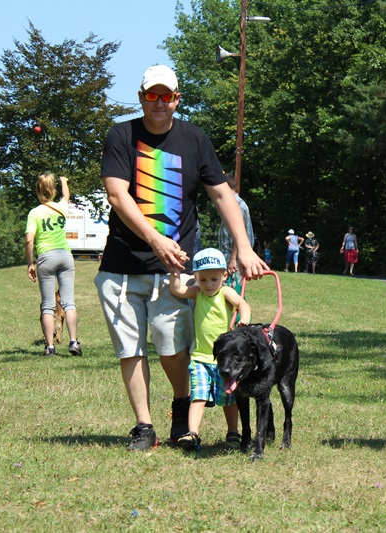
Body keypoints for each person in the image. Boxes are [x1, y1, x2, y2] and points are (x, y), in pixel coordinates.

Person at [95, 64, 267, 452]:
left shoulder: (194, 139)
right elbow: (118, 195)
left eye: (166, 96)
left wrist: (243, 244)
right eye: (151, 95)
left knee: (173, 348)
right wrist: (155, 239)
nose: (159, 103)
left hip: (175, 271)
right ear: (141, 98)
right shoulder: (122, 135)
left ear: (177, 99)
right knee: (131, 348)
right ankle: (143, 426)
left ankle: (180, 404)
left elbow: (223, 194)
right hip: (122, 266)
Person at [168, 248, 251, 451]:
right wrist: (174, 273)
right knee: (198, 395)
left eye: (214, 279)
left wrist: (245, 318)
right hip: (200, 358)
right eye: (202, 279)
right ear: (196, 277)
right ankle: (192, 434)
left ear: (224, 275)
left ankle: (233, 433)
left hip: (224, 361)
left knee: (228, 399)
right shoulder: (196, 293)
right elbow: (177, 291)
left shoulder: (225, 292)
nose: (208, 284)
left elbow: (242, 303)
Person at [25, 174, 82, 357]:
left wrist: (29, 264)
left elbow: (29, 240)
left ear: (37, 192)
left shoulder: (35, 213)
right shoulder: (60, 208)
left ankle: (50, 347)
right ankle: (74, 342)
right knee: (69, 302)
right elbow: (66, 197)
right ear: (53, 191)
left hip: (46, 258)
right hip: (65, 256)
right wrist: (65, 181)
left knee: (48, 306)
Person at [218, 172, 254, 290]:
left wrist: (233, 259)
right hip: (227, 256)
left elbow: (239, 235)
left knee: (233, 291)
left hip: (235, 258)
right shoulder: (229, 204)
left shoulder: (237, 205)